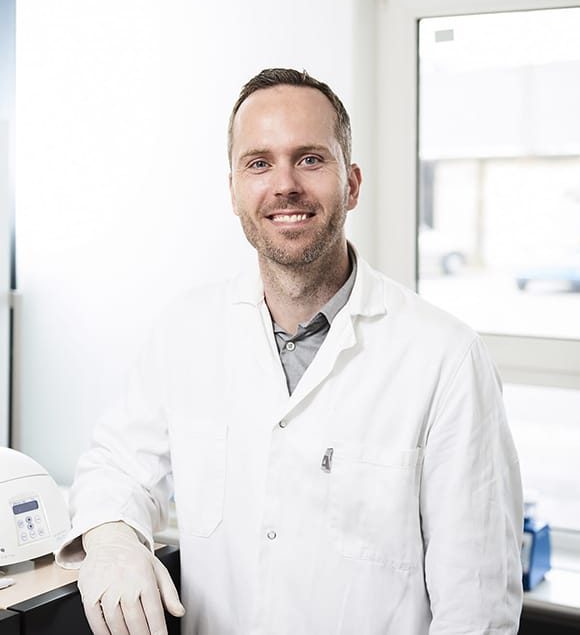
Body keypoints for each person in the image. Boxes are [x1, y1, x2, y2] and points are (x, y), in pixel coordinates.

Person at [57, 68, 524, 635]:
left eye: (309, 159)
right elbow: (117, 465)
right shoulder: (185, 331)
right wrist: (112, 538)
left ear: (351, 183)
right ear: (232, 190)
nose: (285, 186)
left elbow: (477, 608)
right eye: (258, 163)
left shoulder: (445, 357)